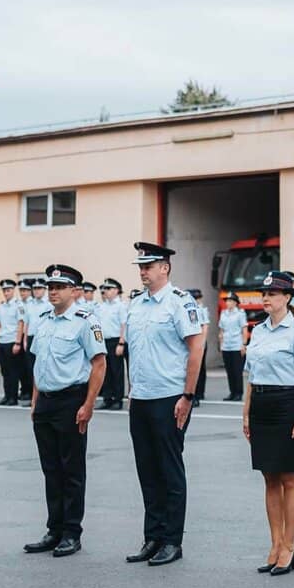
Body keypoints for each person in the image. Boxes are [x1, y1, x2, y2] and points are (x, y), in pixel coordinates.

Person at [124, 242, 205, 567]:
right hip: (141, 398)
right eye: (140, 266)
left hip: (170, 397)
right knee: (147, 471)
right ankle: (153, 537)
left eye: (149, 266)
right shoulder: (136, 304)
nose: (143, 271)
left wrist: (187, 396)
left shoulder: (179, 302)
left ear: (165, 268)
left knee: (169, 471)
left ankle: (172, 540)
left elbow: (196, 348)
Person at [23, 264, 107, 558]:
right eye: (50, 287)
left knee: (71, 469)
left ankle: (72, 531)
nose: (53, 292)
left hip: (71, 401)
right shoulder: (43, 320)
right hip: (45, 401)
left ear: (75, 290)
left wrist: (88, 404)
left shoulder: (86, 321)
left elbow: (99, 364)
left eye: (59, 287)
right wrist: (35, 401)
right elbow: (38, 364)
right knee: (51, 469)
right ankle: (54, 529)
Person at [240, 271, 294, 576]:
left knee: (290, 478)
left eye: (273, 294)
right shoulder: (257, 331)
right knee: (269, 478)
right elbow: (250, 376)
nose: (266, 298)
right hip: (261, 404)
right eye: (265, 294)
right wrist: (246, 413)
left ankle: (289, 545)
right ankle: (274, 544)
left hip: (287, 404)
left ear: (287, 298)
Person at [0, 279, 26, 405]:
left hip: (12, 341)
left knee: (13, 371)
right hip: (2, 341)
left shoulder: (18, 305)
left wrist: (18, 342)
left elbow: (21, 324)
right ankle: (6, 396)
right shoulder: (1, 306)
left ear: (13, 290)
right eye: (4, 290)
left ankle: (13, 397)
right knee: (5, 371)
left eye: (8, 290)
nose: (6, 293)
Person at [96, 278, 129, 410]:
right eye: (105, 289)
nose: (106, 291)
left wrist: (121, 342)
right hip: (103, 341)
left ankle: (118, 399)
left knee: (117, 371)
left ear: (116, 290)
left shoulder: (121, 306)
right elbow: (98, 325)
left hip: (116, 341)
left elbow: (123, 325)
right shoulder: (101, 306)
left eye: (109, 289)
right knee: (106, 371)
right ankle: (107, 398)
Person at [21, 279, 51, 405]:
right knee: (32, 369)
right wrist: (24, 339)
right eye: (35, 288)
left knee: (43, 368)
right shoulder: (30, 304)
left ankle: (44, 397)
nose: (37, 291)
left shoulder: (48, 304)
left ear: (44, 289)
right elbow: (26, 323)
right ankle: (34, 397)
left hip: (43, 338)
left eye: (40, 288)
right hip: (31, 337)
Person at [218, 292, 249, 402]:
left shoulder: (240, 314)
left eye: (230, 301)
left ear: (235, 303)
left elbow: (244, 330)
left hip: (236, 345)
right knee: (229, 371)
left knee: (237, 371)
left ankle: (238, 393)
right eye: (227, 301)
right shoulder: (223, 313)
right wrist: (221, 344)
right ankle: (232, 392)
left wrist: (244, 345)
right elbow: (221, 330)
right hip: (226, 346)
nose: (228, 303)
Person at [190, 287, 210, 405]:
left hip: (200, 342)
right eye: (194, 298)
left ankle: (198, 394)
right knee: (195, 368)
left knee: (199, 368)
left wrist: (202, 341)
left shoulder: (202, 310)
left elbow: (205, 327)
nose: (196, 300)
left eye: (197, 298)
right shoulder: (191, 309)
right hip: (193, 342)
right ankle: (196, 394)